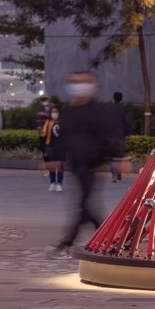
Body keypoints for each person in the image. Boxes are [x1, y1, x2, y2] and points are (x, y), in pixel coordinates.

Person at [55, 72, 123, 252]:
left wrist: (117, 157)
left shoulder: (98, 111)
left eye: (83, 82)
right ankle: (105, 238)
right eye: (74, 82)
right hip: (76, 164)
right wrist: (56, 158)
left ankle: (74, 240)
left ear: (92, 86)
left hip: (92, 164)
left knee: (84, 203)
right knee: (85, 204)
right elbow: (62, 138)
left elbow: (109, 135)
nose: (78, 86)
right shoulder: (69, 112)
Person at [38, 97, 64, 191]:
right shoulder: (48, 122)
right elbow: (44, 133)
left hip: (60, 147)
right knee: (52, 166)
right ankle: (52, 182)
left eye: (56, 111)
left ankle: (59, 184)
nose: (54, 113)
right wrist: (40, 130)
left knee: (60, 166)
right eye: (53, 112)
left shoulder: (63, 122)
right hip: (50, 146)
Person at [109, 89, 133, 181]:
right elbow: (126, 122)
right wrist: (127, 133)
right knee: (119, 154)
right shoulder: (123, 109)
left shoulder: (109, 109)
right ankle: (119, 175)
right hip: (120, 134)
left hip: (110, 135)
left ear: (113, 98)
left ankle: (113, 175)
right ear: (121, 99)